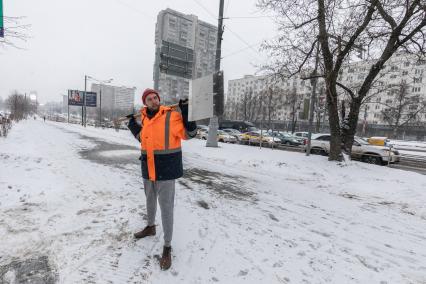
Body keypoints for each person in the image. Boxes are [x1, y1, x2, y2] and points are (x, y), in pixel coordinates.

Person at [127, 88, 197, 270]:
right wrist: (132, 124)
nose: (153, 100)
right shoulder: (143, 118)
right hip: (147, 168)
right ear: (145, 103)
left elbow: (189, 134)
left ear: (159, 99)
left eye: (155, 97)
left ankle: (167, 246)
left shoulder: (171, 116)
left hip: (166, 170)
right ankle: (150, 227)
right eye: (149, 99)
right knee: (149, 200)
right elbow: (143, 138)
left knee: (166, 208)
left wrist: (187, 112)